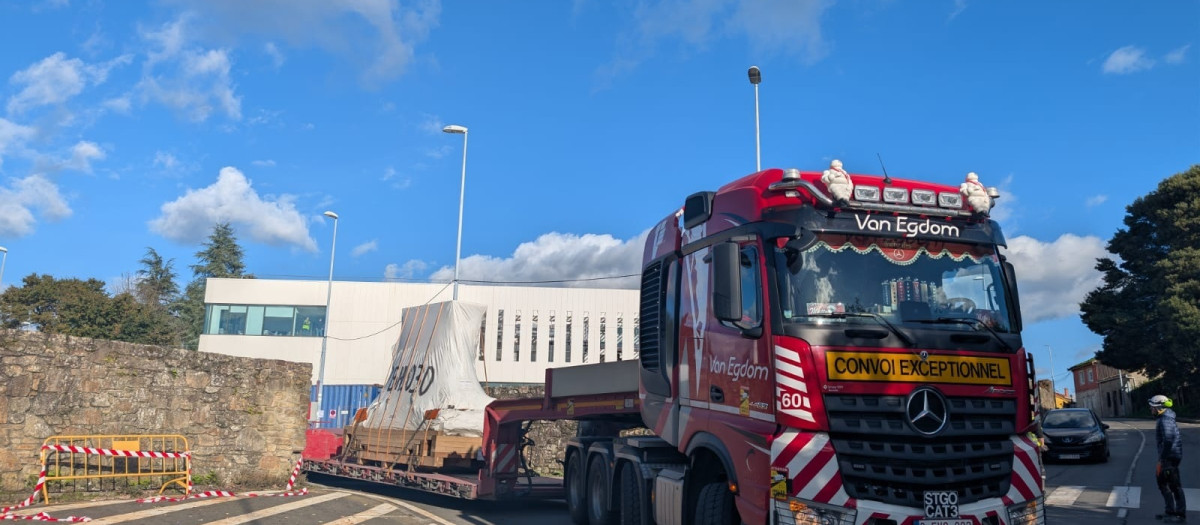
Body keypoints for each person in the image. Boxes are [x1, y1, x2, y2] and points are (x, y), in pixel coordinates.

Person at [1151, 394, 1186, 523]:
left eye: (1152, 407)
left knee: (1174, 485)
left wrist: (1162, 459)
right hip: (1170, 456)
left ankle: (1179, 514)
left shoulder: (1165, 419)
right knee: (1163, 482)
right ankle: (1170, 511)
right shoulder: (1164, 417)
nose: (1151, 410)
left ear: (1159, 408)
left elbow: (1168, 440)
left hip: (1170, 457)